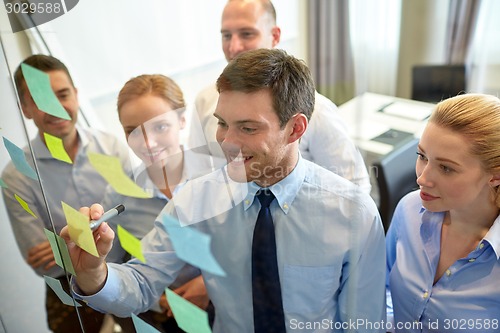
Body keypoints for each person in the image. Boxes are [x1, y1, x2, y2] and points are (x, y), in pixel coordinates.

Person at [61, 48, 385, 332]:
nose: (227, 142)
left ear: (296, 128)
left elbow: (362, 323)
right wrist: (95, 274)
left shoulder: (352, 213)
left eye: (247, 127)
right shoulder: (197, 199)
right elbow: (143, 282)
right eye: (222, 123)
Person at [1, 54, 131, 333]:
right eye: (40, 99)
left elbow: (138, 223)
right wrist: (103, 231)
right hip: (69, 293)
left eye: (62, 95)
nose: (56, 108)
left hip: (128, 274)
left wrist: (65, 242)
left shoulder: (111, 147)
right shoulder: (16, 176)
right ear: (25, 108)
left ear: (76, 95)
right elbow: (44, 265)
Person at [187, 0, 371, 193]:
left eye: (246, 34)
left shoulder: (318, 111)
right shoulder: (205, 101)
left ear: (274, 36)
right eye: (226, 36)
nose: (234, 47)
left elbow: (354, 188)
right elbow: (196, 175)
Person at [102, 74, 218, 332]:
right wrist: (156, 300)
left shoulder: (218, 173)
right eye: (132, 130)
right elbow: (113, 266)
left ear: (182, 120)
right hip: (172, 318)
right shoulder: (119, 197)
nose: (148, 143)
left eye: (160, 127)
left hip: (235, 304)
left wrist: (209, 284)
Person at [386, 94, 500, 332]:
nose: (421, 178)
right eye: (422, 156)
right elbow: (382, 286)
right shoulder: (408, 210)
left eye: (446, 168)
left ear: (495, 175)